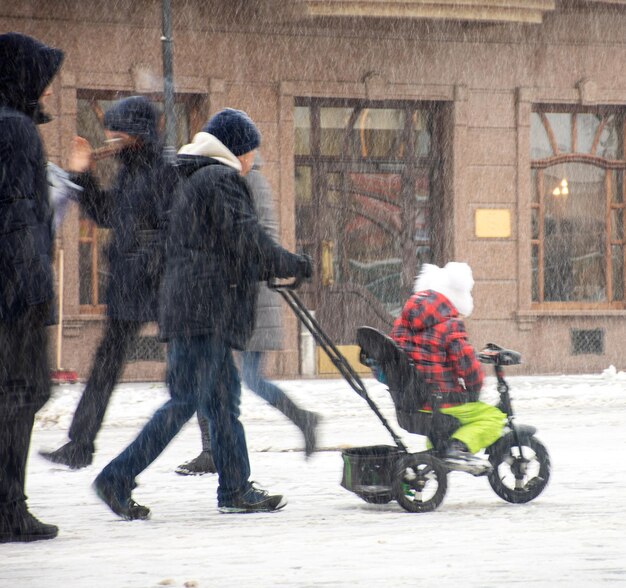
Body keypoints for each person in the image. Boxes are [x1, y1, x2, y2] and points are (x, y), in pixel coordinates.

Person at [93, 108, 313, 519]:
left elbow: (227, 246)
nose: (251, 162)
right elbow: (246, 240)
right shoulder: (220, 179)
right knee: (183, 402)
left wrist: (270, 265)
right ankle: (117, 477)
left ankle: (235, 487)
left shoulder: (193, 177)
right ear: (237, 150)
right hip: (203, 312)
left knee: (222, 402)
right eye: (250, 152)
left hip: (195, 307)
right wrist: (292, 263)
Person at [40, 96, 178, 469]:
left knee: (192, 373)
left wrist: (145, 263)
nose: (111, 138)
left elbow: (172, 230)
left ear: (139, 134)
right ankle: (80, 444)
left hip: (161, 287)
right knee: (106, 366)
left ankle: (217, 447)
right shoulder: (130, 171)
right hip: (131, 288)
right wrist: (83, 173)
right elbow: (105, 214)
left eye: (118, 132)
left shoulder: (164, 170)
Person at [176, 154, 319, 476]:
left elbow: (253, 240)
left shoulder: (245, 181)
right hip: (246, 289)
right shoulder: (245, 180)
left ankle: (214, 450)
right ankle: (216, 448)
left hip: (248, 293)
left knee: (222, 374)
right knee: (228, 375)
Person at [0, 32, 63, 543]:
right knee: (24, 391)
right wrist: (34, 291)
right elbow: (21, 219)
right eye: (42, 84)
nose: (47, 95)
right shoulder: (15, 131)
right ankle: (7, 508)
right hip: (14, 293)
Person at [389, 262, 505, 466]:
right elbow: (468, 368)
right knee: (493, 418)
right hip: (440, 404)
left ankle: (434, 458)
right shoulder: (449, 325)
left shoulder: (402, 323)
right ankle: (457, 449)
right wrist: (473, 390)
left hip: (409, 405)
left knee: (440, 422)